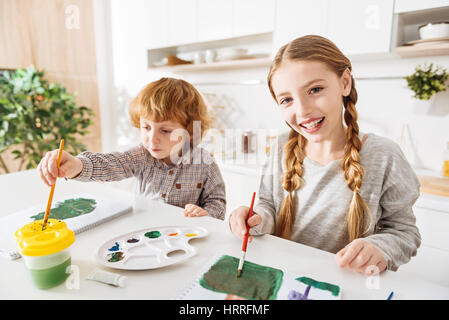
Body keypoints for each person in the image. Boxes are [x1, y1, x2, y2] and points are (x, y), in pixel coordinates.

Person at [228, 35, 421, 273]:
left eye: (315, 89)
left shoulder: (384, 155)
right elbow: (268, 206)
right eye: (287, 99)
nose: (303, 110)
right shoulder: (280, 147)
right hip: (283, 276)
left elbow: (405, 232)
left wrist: (380, 248)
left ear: (345, 83)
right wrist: (255, 219)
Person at [37, 77, 226, 220]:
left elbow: (217, 202)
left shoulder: (205, 163)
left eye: (165, 130)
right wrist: (78, 165)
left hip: (187, 237)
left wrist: (206, 214)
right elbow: (113, 164)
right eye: (146, 127)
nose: (152, 139)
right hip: (145, 231)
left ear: (190, 132)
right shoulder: (142, 156)